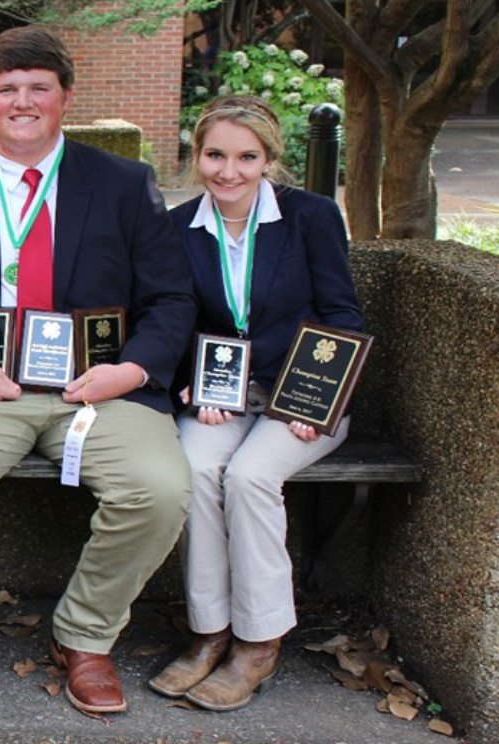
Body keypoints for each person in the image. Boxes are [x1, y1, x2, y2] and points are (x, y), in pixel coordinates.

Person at [0, 25, 196, 713]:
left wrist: (133, 370)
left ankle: (84, 636)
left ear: (65, 97)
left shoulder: (123, 183)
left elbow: (172, 297)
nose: (22, 101)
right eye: (7, 88)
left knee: (159, 489)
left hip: (100, 388)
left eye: (38, 88)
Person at [148, 96, 363, 711]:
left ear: (269, 160)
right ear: (198, 156)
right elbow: (174, 317)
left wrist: (312, 397)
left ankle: (259, 640)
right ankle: (210, 631)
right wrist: (193, 383)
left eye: (246, 157)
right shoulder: (177, 227)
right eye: (215, 155)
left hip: (305, 396)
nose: (228, 171)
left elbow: (341, 313)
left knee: (249, 476)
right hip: (225, 395)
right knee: (192, 466)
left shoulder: (312, 217)